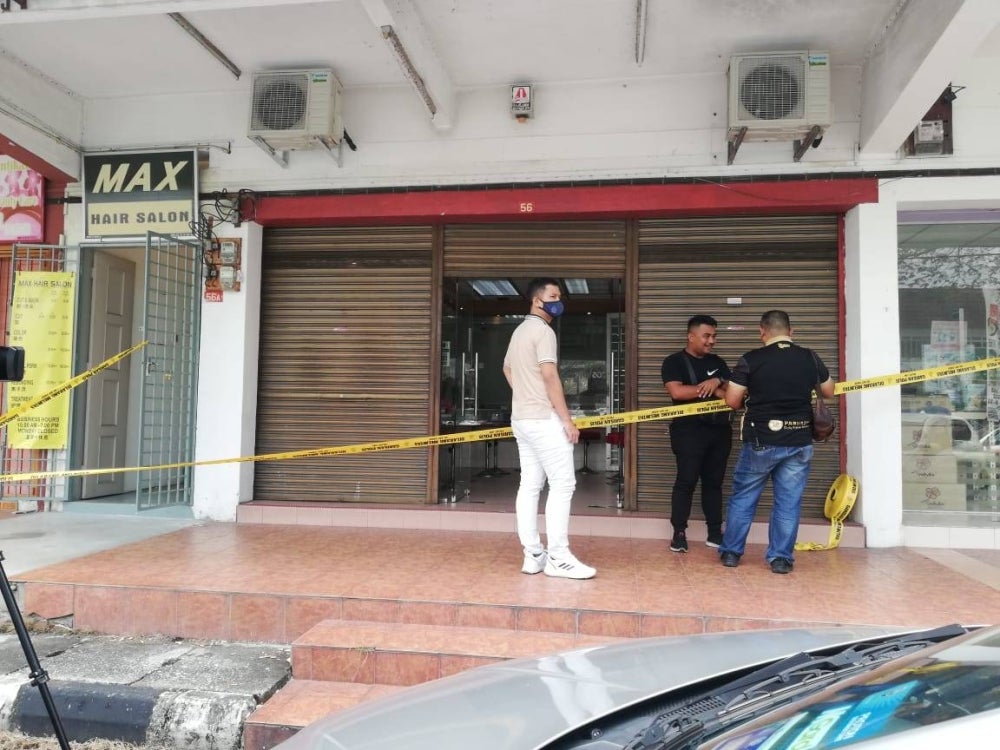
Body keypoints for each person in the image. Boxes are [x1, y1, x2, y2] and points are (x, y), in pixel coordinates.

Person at [718, 310, 835, 574]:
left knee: (744, 498)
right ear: (791, 332)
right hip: (799, 439)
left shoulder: (751, 360)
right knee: (788, 502)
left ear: (762, 331)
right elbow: (829, 391)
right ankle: (781, 558)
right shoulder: (810, 357)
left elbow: (732, 401)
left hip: (761, 440)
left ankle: (731, 553)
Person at [502, 278, 596, 579]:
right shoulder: (543, 331)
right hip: (543, 420)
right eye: (553, 295)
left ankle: (533, 555)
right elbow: (550, 377)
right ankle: (558, 556)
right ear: (536, 301)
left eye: (560, 295)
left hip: (522, 418)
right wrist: (566, 419)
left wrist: (524, 394)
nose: (559, 301)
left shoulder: (519, 331)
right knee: (562, 485)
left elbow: (506, 368)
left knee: (529, 486)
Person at [660, 315, 731, 552]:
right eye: (707, 336)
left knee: (714, 484)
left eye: (714, 336)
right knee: (686, 481)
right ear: (691, 337)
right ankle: (679, 533)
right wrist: (709, 387)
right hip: (688, 432)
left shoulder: (718, 362)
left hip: (719, 431)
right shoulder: (674, 362)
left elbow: (730, 393)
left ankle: (714, 532)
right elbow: (677, 393)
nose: (712, 341)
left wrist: (718, 380)